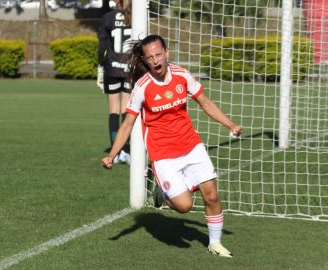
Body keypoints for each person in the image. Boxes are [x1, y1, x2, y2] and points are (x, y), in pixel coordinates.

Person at [101, 35, 243, 258]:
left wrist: (230, 124)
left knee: (212, 195)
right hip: (164, 154)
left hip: (192, 145)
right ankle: (161, 192)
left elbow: (204, 102)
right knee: (184, 206)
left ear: (167, 53)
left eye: (158, 55)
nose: (156, 61)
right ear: (146, 61)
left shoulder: (181, 75)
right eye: (150, 58)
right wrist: (112, 154)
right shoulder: (142, 87)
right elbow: (128, 123)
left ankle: (215, 243)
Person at [97, 0, 132, 164]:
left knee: (114, 110)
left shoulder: (108, 17)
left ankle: (115, 152)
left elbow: (102, 45)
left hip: (112, 67)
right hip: (129, 69)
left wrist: (99, 67)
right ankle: (126, 149)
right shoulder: (136, 16)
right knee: (127, 109)